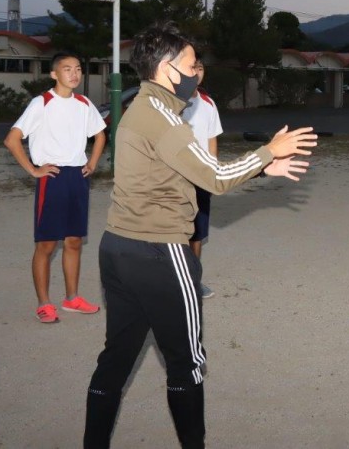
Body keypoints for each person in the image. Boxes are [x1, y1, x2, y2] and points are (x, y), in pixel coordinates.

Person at [83, 22, 316, 448]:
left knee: (115, 359)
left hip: (117, 248)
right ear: (169, 69)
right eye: (193, 65)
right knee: (187, 365)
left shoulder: (141, 110)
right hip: (160, 254)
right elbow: (216, 177)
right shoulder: (165, 122)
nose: (199, 72)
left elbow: (189, 172)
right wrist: (269, 151)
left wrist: (264, 168)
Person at [4, 52, 106, 324]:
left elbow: (100, 135)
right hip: (53, 178)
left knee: (73, 241)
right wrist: (34, 170)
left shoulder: (84, 103)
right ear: (54, 74)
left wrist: (92, 163)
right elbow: (12, 139)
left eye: (78, 69)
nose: (74, 73)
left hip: (77, 178)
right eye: (67, 69)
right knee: (47, 244)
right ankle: (44, 303)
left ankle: (72, 298)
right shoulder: (42, 103)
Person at [180, 60, 222, 299]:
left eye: (201, 68)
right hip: (176, 176)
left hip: (201, 177)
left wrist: (212, 171)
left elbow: (212, 139)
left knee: (197, 232)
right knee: (175, 231)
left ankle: (193, 280)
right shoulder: (172, 102)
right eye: (191, 67)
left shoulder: (208, 103)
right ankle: (173, 279)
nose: (196, 73)